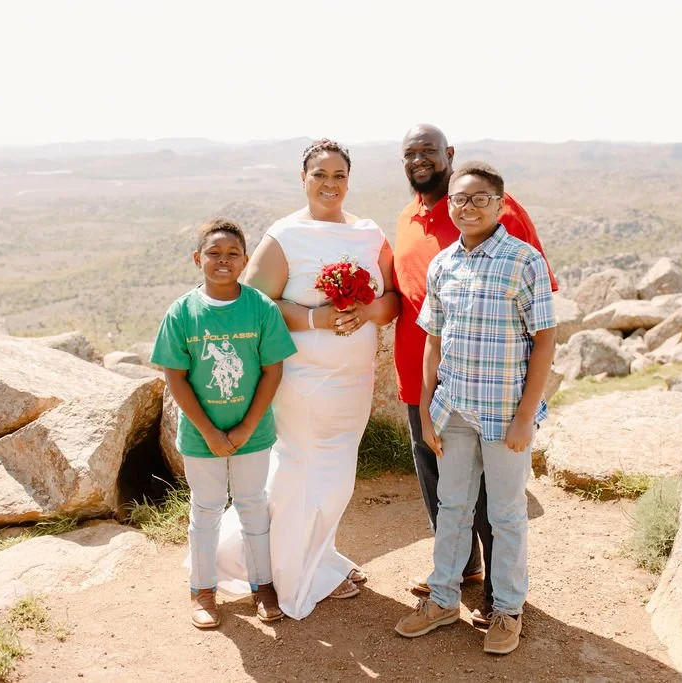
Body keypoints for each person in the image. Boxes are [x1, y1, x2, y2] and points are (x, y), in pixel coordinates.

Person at [392, 124, 559, 626]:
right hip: (443, 394)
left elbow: (543, 329)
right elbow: (423, 323)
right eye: (410, 153)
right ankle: (452, 583)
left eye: (429, 151)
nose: (420, 159)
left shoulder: (517, 245)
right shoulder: (418, 231)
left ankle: (503, 602)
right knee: (448, 499)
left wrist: (527, 413)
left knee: (501, 507)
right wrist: (426, 408)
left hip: (501, 399)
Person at [231, 138, 400, 619]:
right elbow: (253, 303)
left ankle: (317, 558)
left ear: (350, 180)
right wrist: (313, 319)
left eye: (339, 175)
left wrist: (366, 311)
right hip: (302, 382)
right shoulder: (286, 235)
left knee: (336, 479)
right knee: (302, 473)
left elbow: (392, 301)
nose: (330, 184)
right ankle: (285, 575)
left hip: (353, 380)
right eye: (320, 174)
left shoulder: (369, 234)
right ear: (302, 179)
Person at [150, 218, 297, 630]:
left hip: (254, 432)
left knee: (253, 506)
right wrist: (210, 432)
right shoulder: (182, 313)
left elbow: (272, 370)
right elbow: (176, 377)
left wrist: (247, 427)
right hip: (201, 436)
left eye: (233, 253)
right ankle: (202, 589)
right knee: (206, 509)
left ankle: (262, 586)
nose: (223, 260)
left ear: (245, 261)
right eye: (213, 253)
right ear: (197, 258)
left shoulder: (260, 309)